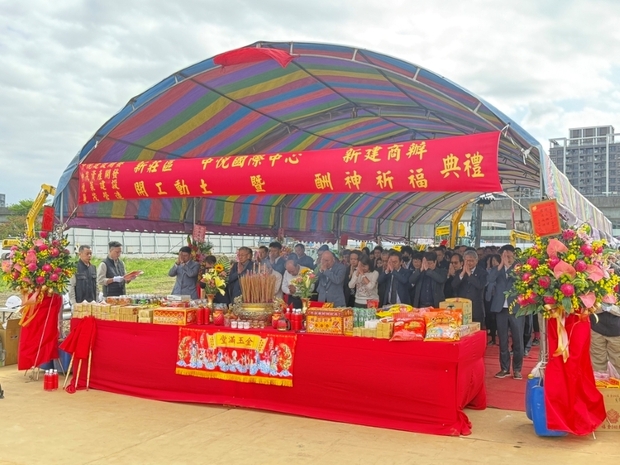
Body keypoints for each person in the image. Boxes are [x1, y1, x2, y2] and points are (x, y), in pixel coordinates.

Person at [486, 244, 524, 380]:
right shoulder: (497, 269)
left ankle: (517, 369)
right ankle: (504, 368)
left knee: (518, 340)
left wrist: (510, 266)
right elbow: (490, 280)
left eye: (509, 255)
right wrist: (502, 265)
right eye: (504, 255)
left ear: (514, 255)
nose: (507, 257)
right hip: (500, 308)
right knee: (502, 340)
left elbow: (521, 280)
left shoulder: (520, 268)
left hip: (516, 308)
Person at [450, 250, 487, 325]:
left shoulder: (482, 272)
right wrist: (463, 273)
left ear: (476, 261)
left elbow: (480, 285)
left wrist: (470, 274)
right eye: (467, 261)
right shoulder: (459, 272)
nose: (469, 263)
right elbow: (453, 285)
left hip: (476, 308)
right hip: (462, 307)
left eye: (471, 261)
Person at [590, 304, 620, 377]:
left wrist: (611, 308)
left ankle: (617, 379)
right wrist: (599, 306)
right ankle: (599, 379)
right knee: (597, 356)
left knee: (617, 358)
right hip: (597, 327)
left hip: (617, 330)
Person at [485, 253, 501, 345]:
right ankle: (493, 337)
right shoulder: (490, 271)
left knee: (497, 318)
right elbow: (487, 281)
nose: (494, 262)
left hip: (497, 297)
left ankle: (498, 338)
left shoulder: (501, 270)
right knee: (491, 317)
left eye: (495, 260)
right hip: (490, 296)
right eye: (492, 261)